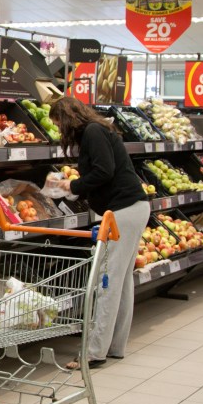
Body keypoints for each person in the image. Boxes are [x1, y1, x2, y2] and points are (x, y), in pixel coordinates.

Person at [48, 97, 149, 369]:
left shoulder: (93, 132)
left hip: (122, 212)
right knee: (122, 281)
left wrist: (71, 185)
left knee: (107, 281)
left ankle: (94, 352)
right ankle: (114, 346)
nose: (60, 131)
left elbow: (104, 172)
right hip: (132, 208)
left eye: (59, 125)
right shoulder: (98, 130)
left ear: (67, 119)